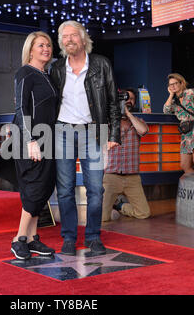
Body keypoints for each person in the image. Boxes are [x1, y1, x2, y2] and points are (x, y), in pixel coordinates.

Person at [50, 20, 121, 256]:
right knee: (65, 189)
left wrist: (113, 134)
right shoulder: (57, 68)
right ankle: (69, 237)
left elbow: (112, 101)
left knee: (95, 189)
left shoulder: (101, 64)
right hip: (63, 131)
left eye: (73, 35)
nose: (68, 40)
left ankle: (92, 236)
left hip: (94, 131)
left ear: (83, 39)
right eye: (64, 37)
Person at [10, 31, 57, 260]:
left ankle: (32, 239)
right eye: (41, 45)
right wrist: (30, 141)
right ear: (30, 50)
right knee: (34, 188)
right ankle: (18, 239)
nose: (46, 49)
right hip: (30, 140)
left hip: (48, 139)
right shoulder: (24, 73)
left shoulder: (46, 75)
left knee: (45, 187)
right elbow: (21, 109)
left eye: (48, 45)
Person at [102, 88, 151, 221]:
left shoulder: (138, 121)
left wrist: (128, 114)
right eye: (124, 98)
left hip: (132, 177)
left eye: (131, 99)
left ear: (134, 103)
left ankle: (120, 205)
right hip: (111, 176)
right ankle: (109, 204)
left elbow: (143, 131)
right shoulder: (108, 121)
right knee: (103, 218)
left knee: (143, 213)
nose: (127, 101)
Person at [163, 73, 194, 174]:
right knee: (185, 165)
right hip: (186, 134)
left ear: (182, 83)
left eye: (175, 83)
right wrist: (171, 95)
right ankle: (192, 187)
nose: (172, 86)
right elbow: (166, 110)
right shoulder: (174, 101)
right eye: (170, 84)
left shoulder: (191, 92)